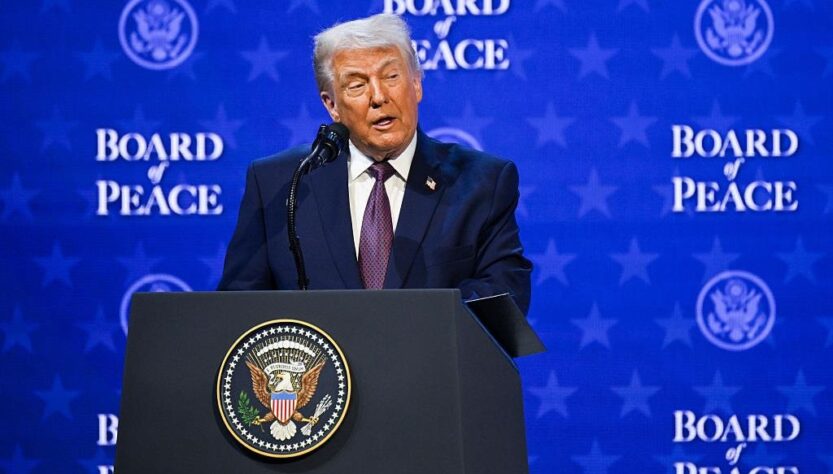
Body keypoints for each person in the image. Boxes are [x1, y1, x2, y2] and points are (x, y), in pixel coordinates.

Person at [218, 13, 532, 314]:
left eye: (391, 76)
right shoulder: (282, 182)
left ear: (416, 84)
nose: (379, 96)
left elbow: (504, 296)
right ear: (331, 105)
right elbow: (238, 307)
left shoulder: (481, 183)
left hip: (429, 353)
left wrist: (408, 327)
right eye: (357, 85)